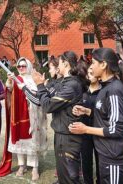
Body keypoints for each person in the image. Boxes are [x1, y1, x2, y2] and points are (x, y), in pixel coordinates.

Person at [69, 48, 123, 184]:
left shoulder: (114, 90)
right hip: (106, 154)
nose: (91, 67)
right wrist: (87, 112)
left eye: (93, 63)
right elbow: (108, 115)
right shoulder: (105, 88)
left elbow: (116, 129)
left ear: (103, 65)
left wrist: (85, 129)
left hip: (114, 157)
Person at [32, 51, 88, 184]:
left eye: (60, 63)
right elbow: (47, 99)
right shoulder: (65, 82)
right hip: (62, 134)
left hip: (69, 137)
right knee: (63, 177)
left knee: (69, 178)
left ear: (66, 64)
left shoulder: (71, 85)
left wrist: (40, 85)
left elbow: (48, 106)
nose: (58, 67)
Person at [6, 57, 48, 181]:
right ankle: (22, 165)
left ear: (28, 66)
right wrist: (9, 81)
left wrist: (23, 86)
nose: (21, 68)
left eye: (23, 66)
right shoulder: (16, 78)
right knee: (19, 141)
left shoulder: (33, 78)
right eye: (19, 66)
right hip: (18, 114)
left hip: (32, 115)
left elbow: (37, 96)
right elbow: (9, 89)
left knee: (32, 141)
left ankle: (34, 167)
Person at [78, 68, 101, 184]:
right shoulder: (83, 93)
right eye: (88, 73)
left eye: (92, 73)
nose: (90, 75)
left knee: (100, 162)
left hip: (99, 133)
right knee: (86, 163)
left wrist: (88, 111)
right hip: (85, 134)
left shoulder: (103, 92)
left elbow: (104, 115)